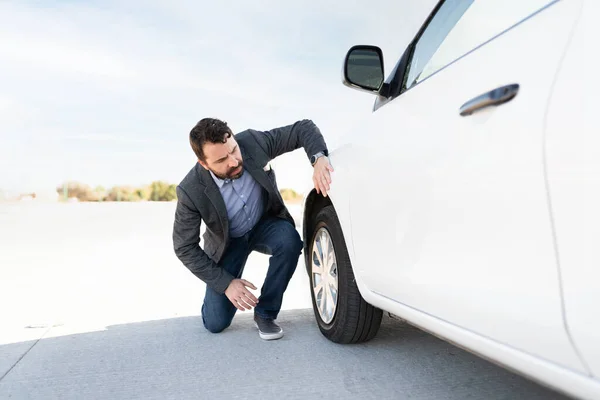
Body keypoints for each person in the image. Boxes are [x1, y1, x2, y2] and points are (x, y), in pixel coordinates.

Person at [172, 118, 333, 340]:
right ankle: (217, 300)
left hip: (264, 224)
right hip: (228, 243)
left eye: (234, 150)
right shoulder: (190, 191)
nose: (234, 161)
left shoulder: (253, 142)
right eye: (221, 159)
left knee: (289, 241)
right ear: (204, 164)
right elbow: (184, 247)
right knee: (215, 323)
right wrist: (225, 283)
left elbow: (301, 128)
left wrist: (319, 159)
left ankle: (266, 313)